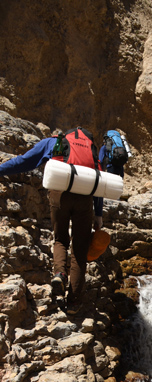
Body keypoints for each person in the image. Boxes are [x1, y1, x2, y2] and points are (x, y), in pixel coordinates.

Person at [0, 127, 103, 315]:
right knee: (80, 248)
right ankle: (73, 303)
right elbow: (98, 180)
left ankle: (59, 275)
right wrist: (99, 214)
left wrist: (1, 170)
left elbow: (24, 161)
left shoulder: (53, 142)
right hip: (85, 199)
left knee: (60, 238)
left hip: (59, 194)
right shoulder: (91, 149)